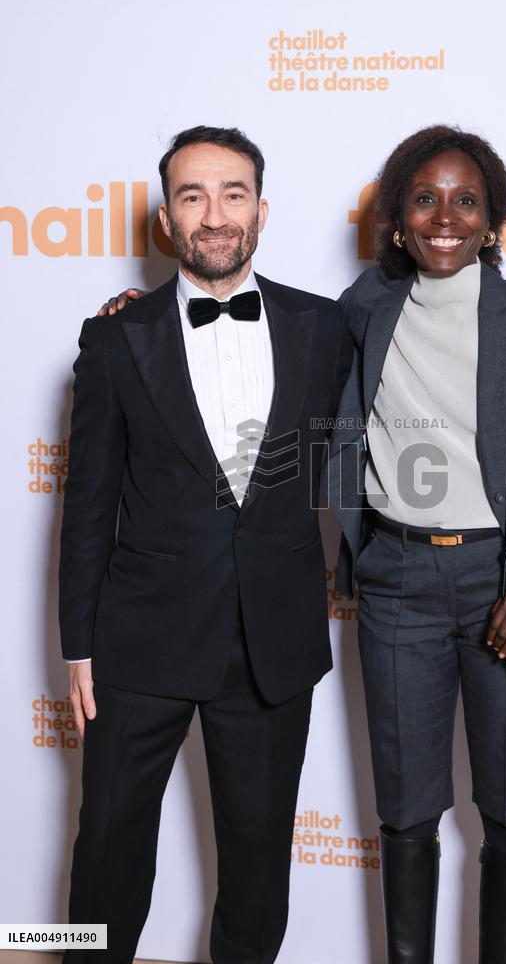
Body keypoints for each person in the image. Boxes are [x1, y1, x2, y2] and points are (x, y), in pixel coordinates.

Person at [326, 125, 506, 963]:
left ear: (492, 220)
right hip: (395, 581)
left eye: (466, 200)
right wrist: (146, 314)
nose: (444, 216)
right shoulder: (363, 310)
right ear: (397, 218)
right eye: (425, 199)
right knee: (407, 809)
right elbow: (269, 330)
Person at [59, 125, 351, 963]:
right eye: (192, 196)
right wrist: (77, 641)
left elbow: (367, 450)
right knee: (106, 857)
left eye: (232, 194)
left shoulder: (325, 327)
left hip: (272, 642)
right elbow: (85, 506)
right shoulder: (116, 337)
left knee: (259, 872)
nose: (214, 214)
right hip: (137, 640)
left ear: (262, 210)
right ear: (165, 220)